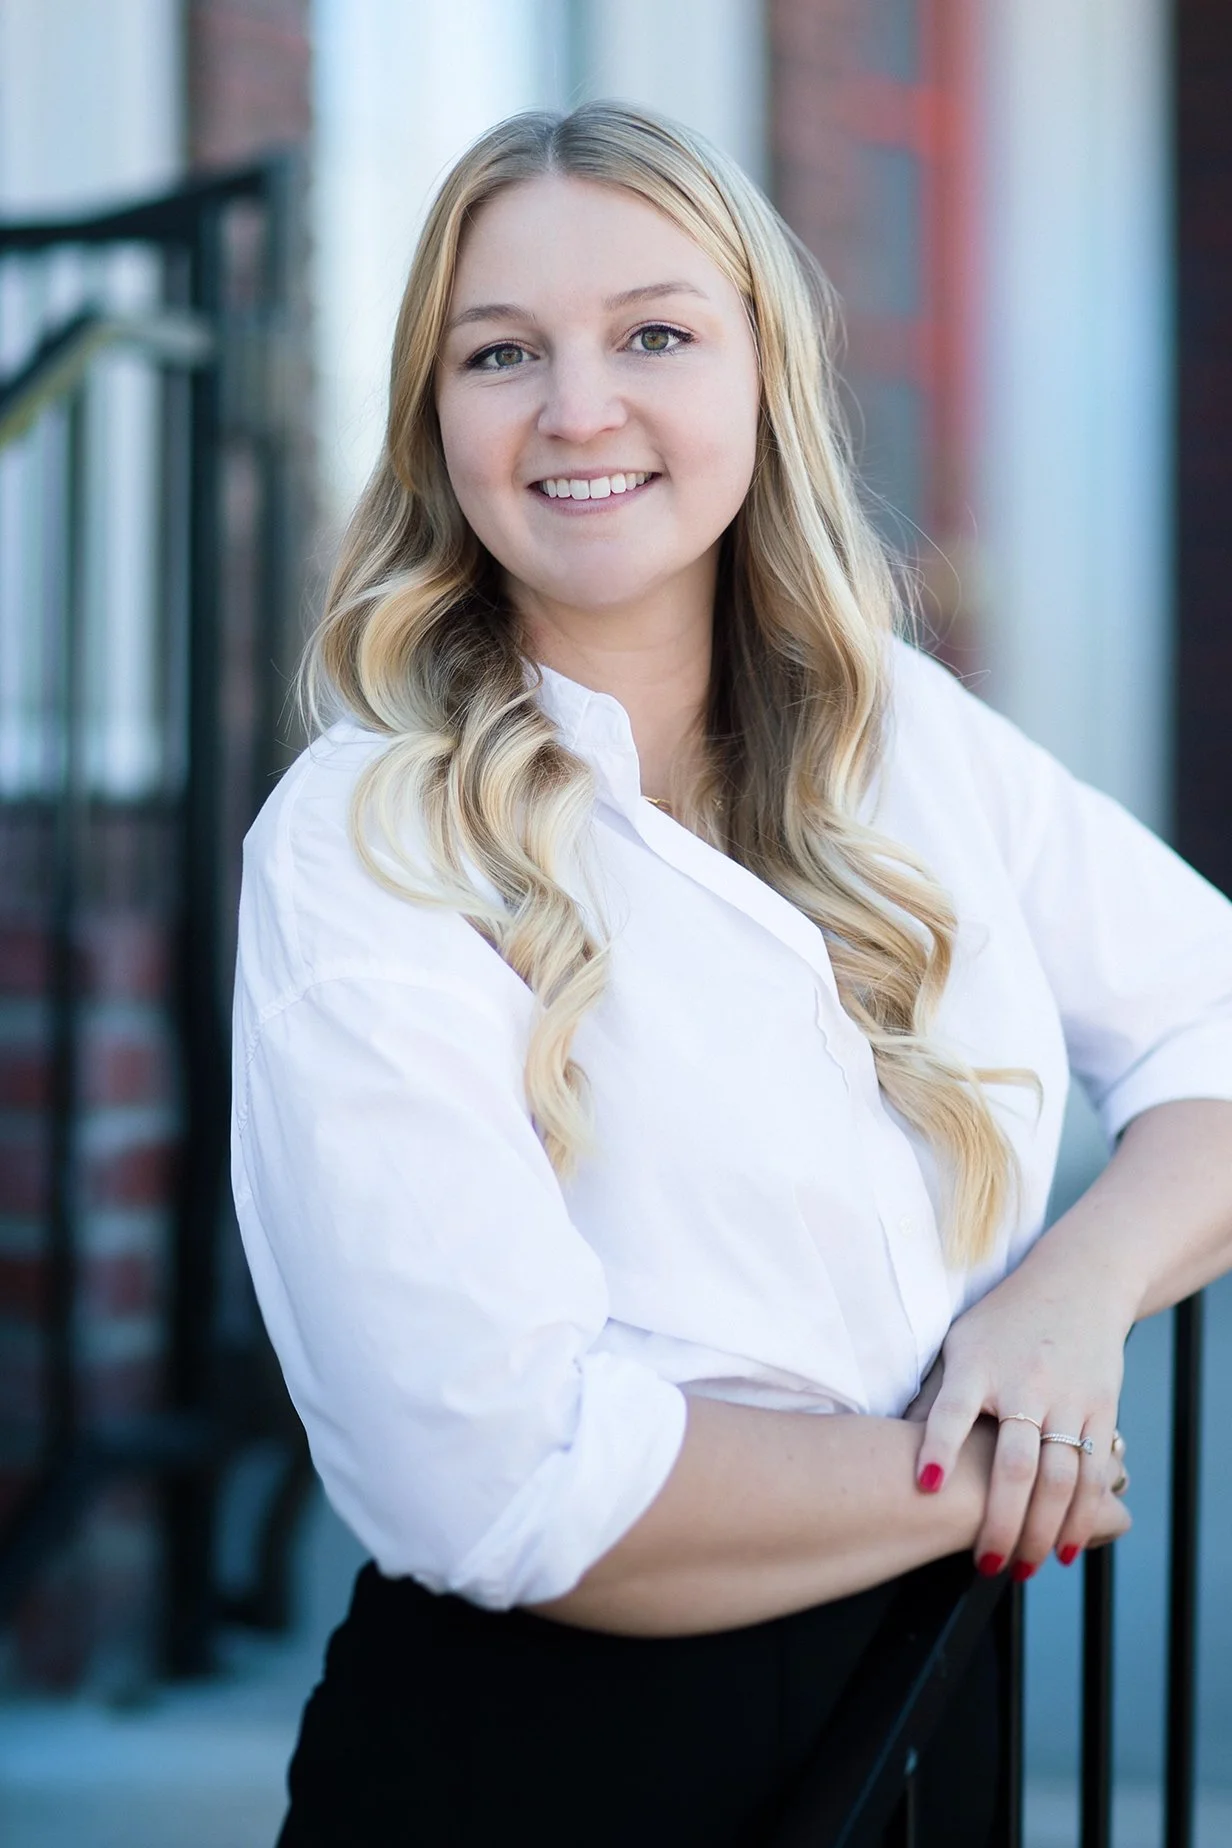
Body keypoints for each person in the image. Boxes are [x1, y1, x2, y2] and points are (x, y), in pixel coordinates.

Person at [230, 103, 1232, 1847]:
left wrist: (1070, 1301)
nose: (578, 408)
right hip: (551, 1773)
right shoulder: (363, 836)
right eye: (501, 353)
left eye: (655, 335)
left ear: (763, 374)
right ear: (434, 417)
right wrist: (992, 1470)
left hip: (930, 1716)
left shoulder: (902, 740)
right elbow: (510, 1481)